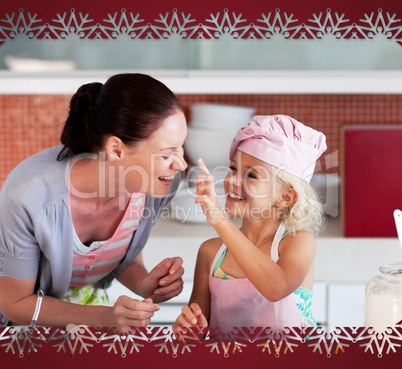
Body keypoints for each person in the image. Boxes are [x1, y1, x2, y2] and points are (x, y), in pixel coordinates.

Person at [0, 73, 188, 333]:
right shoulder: (29, 198)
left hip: (91, 315)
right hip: (19, 326)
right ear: (116, 150)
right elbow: (14, 303)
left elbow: (119, 257)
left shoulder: (156, 185)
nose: (181, 165)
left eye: (181, 148)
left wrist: (146, 284)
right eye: (167, 154)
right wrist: (105, 318)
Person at [173, 114, 327, 337]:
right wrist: (187, 329)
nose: (233, 181)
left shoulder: (298, 242)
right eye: (233, 168)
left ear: (285, 197)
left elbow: (276, 288)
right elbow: (196, 334)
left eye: (252, 175)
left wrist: (220, 220)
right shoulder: (210, 253)